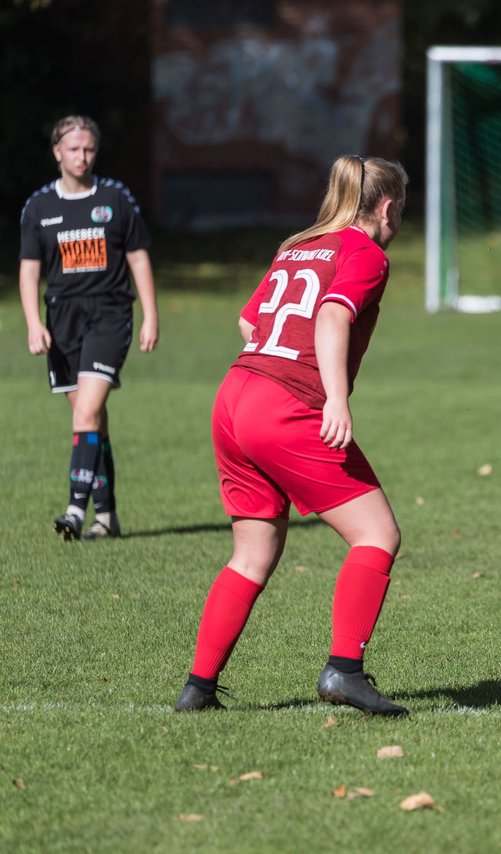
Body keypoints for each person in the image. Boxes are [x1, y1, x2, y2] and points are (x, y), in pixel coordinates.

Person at [174, 155, 410, 715]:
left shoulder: (297, 246)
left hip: (234, 395)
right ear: (386, 206)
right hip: (284, 405)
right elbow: (331, 316)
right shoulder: (365, 251)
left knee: (253, 553)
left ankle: (198, 687)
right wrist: (335, 396)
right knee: (377, 534)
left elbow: (249, 321)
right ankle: (344, 671)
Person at [19, 115, 159, 541]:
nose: (83, 156)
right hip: (62, 319)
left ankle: (75, 510)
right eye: (74, 149)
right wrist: (33, 323)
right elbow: (29, 271)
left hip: (109, 315)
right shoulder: (39, 207)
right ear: (57, 152)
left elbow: (137, 256)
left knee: (86, 412)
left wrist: (150, 314)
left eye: (89, 149)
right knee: (93, 420)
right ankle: (108, 517)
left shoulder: (116, 198)